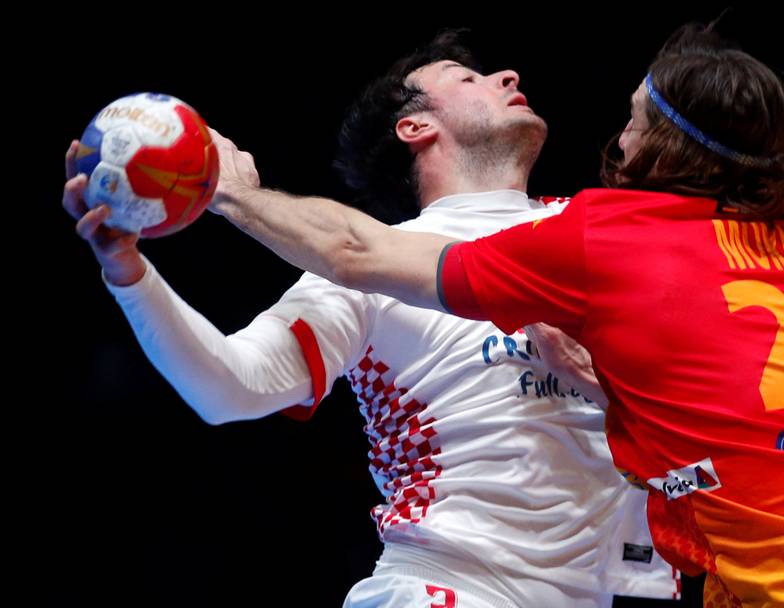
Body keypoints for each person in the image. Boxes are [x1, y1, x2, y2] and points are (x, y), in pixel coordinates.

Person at [190, 22, 784, 607]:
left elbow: (353, 249)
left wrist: (233, 195)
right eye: (469, 77)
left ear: (662, 148)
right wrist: (601, 387)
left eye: (632, 121)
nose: (620, 141)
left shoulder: (601, 236)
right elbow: (717, 427)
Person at [63, 32, 678, 607]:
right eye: (468, 78)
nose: (508, 76)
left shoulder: (603, 228)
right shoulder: (366, 271)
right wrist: (128, 272)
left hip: (620, 589)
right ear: (415, 126)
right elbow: (228, 387)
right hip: (453, 587)